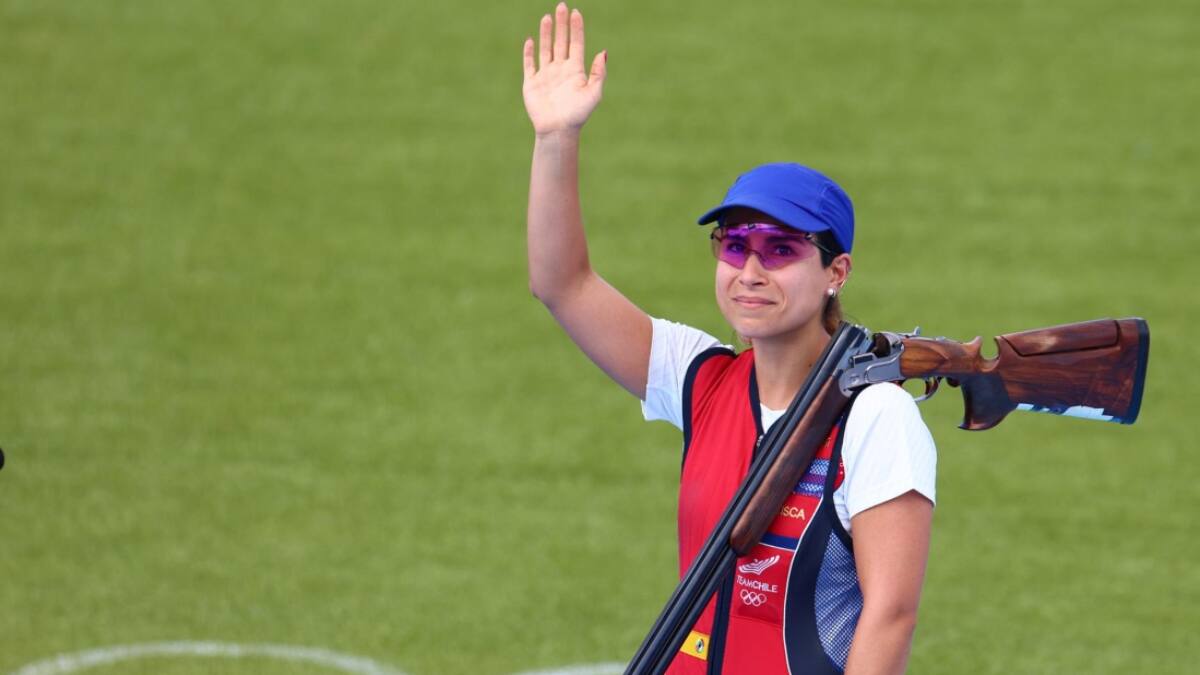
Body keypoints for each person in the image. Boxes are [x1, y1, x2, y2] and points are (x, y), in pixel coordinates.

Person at [521, 4, 936, 674]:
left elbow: (891, 616)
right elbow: (561, 283)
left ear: (836, 272)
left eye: (779, 249)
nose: (749, 270)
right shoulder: (700, 376)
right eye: (733, 243)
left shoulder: (877, 417)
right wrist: (556, 139)